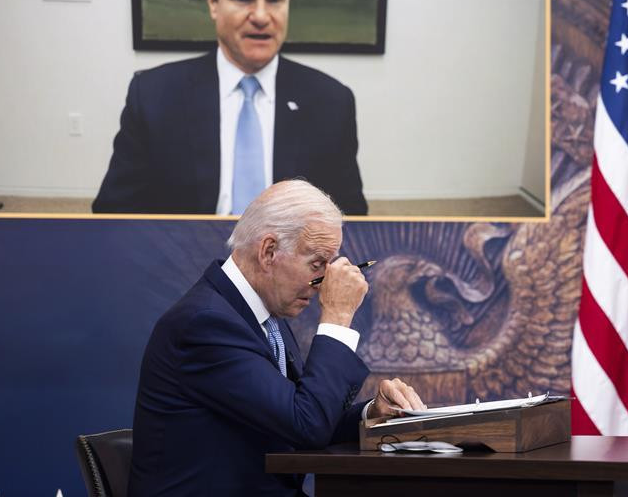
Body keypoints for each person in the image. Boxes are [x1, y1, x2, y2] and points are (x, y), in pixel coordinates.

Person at [129, 179, 423, 496]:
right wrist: (338, 315)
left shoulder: (261, 315)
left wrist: (370, 415)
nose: (323, 281)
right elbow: (305, 425)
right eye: (317, 263)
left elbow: (296, 416)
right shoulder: (205, 324)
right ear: (269, 251)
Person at [93, 0, 367, 216]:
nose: (261, 16)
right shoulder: (153, 95)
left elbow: (351, 221)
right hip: (183, 259)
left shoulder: (331, 102)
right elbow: (113, 217)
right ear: (213, 2)